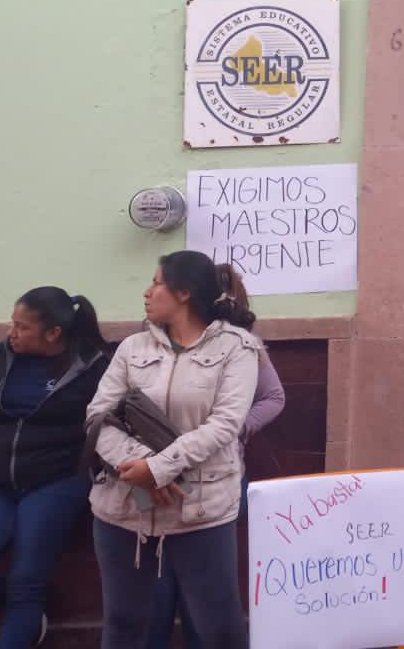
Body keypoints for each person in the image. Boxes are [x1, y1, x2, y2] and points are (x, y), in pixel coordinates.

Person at [86, 251, 259, 649]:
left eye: (156, 282)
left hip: (200, 510)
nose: (147, 292)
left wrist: (161, 469)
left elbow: (224, 425)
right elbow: (98, 415)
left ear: (184, 292)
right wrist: (144, 468)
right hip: (124, 505)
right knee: (124, 625)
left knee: (218, 627)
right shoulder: (133, 347)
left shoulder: (237, 349)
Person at [146, 264, 284, 649]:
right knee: (155, 571)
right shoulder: (150, 344)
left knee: (203, 583)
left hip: (216, 476)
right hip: (156, 473)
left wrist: (236, 428)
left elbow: (273, 398)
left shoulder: (242, 347)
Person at [0, 288, 110, 648]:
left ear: (53, 333)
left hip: (56, 482)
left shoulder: (92, 367)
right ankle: (23, 603)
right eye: (12, 323)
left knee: (27, 580)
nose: (12, 332)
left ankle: (25, 610)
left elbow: (109, 426)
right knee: (15, 587)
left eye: (22, 327)